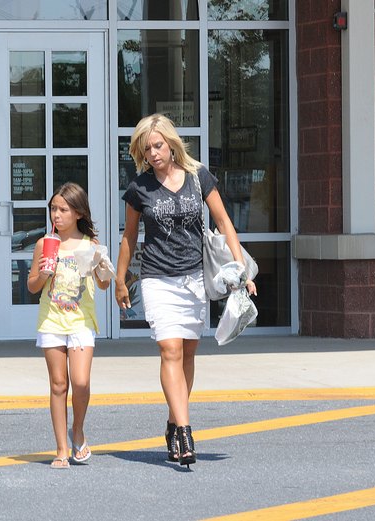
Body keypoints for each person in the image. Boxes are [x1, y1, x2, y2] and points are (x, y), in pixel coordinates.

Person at [115, 114, 257, 468]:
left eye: (158, 146)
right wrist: (121, 280)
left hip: (194, 277)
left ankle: (172, 420)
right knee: (170, 350)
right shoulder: (139, 188)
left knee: (188, 354)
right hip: (158, 277)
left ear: (172, 144)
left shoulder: (199, 178)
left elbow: (224, 222)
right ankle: (185, 430)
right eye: (147, 149)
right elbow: (129, 237)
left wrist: (239, 270)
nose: (153, 154)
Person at [27, 182, 111, 469]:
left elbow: (102, 285)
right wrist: (43, 274)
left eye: (63, 209)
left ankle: (78, 429)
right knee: (58, 384)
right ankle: (62, 448)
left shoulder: (90, 245)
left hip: (81, 320)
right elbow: (31, 286)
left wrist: (103, 268)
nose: (56, 215)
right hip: (51, 319)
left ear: (77, 212)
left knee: (80, 381)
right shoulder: (44, 244)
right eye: (53, 209)